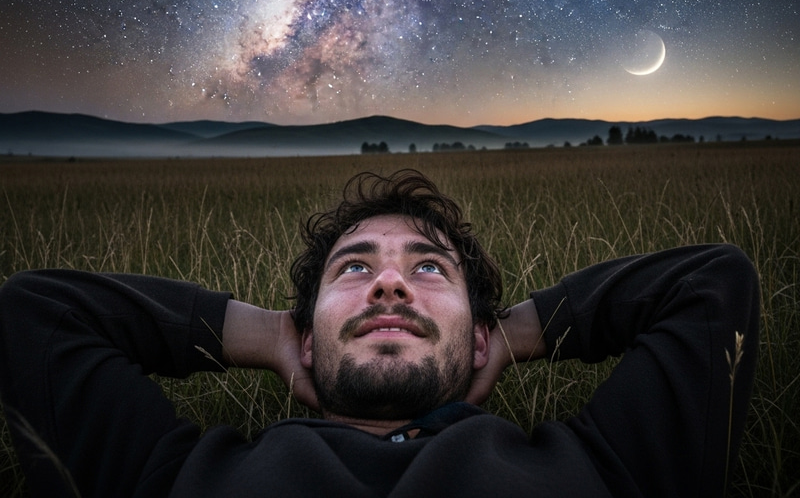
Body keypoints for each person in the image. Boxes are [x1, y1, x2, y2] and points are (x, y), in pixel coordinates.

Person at [0, 169, 759, 497]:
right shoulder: (174, 481)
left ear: (480, 341)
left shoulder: (609, 473)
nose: (390, 281)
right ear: (305, 341)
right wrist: (267, 335)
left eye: (429, 270)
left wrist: (510, 334)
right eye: (353, 269)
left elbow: (712, 284)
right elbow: (32, 312)